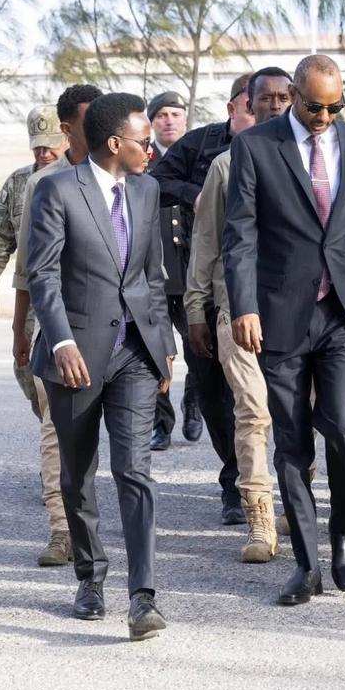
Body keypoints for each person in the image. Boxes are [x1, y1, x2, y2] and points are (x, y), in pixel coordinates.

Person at [224, 55, 345, 606]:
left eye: (335, 107)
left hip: (342, 312)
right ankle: (307, 563)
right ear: (293, 95)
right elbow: (240, 234)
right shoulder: (256, 146)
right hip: (280, 314)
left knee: (344, 428)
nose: (324, 117)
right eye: (315, 106)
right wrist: (243, 306)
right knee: (291, 441)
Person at [27, 92, 173, 642]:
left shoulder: (147, 188)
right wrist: (60, 342)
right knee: (78, 472)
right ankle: (91, 575)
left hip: (134, 351)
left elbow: (151, 277)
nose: (152, 151)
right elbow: (41, 274)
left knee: (135, 470)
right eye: (144, 142)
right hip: (76, 357)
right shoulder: (57, 190)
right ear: (116, 144)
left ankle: (144, 596)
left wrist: (163, 348)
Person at [186, 67, 294, 563]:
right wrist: (196, 310)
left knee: (298, 416)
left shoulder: (314, 160)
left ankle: (296, 505)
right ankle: (259, 521)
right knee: (253, 411)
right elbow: (205, 243)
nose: (273, 106)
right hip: (236, 311)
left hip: (299, 313)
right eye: (262, 100)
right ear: (246, 106)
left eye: (281, 97)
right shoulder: (226, 167)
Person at [153, 73, 265, 524]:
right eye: (250, 106)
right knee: (212, 383)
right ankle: (233, 478)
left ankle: (262, 481)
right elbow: (157, 179)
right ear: (233, 108)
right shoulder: (202, 147)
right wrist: (194, 193)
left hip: (262, 290)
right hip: (197, 278)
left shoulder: (282, 148)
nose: (259, 114)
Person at [0, 104, 71, 566]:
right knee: (35, 392)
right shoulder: (18, 184)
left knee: (58, 414)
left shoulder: (80, 179)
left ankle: (63, 519)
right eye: (38, 145)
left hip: (74, 310)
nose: (45, 151)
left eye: (51, 143)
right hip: (33, 308)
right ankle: (62, 474)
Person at [11, 84, 102, 378]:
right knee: (54, 418)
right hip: (55, 316)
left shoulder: (124, 177)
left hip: (112, 320)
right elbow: (28, 267)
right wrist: (18, 329)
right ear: (67, 128)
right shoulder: (42, 184)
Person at [145, 89, 201, 451]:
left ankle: (194, 403)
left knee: (199, 347)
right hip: (157, 271)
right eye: (162, 114)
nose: (169, 120)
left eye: (175, 114)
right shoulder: (143, 160)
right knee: (155, 350)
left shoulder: (198, 156)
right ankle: (161, 421)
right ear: (152, 122)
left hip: (193, 269)